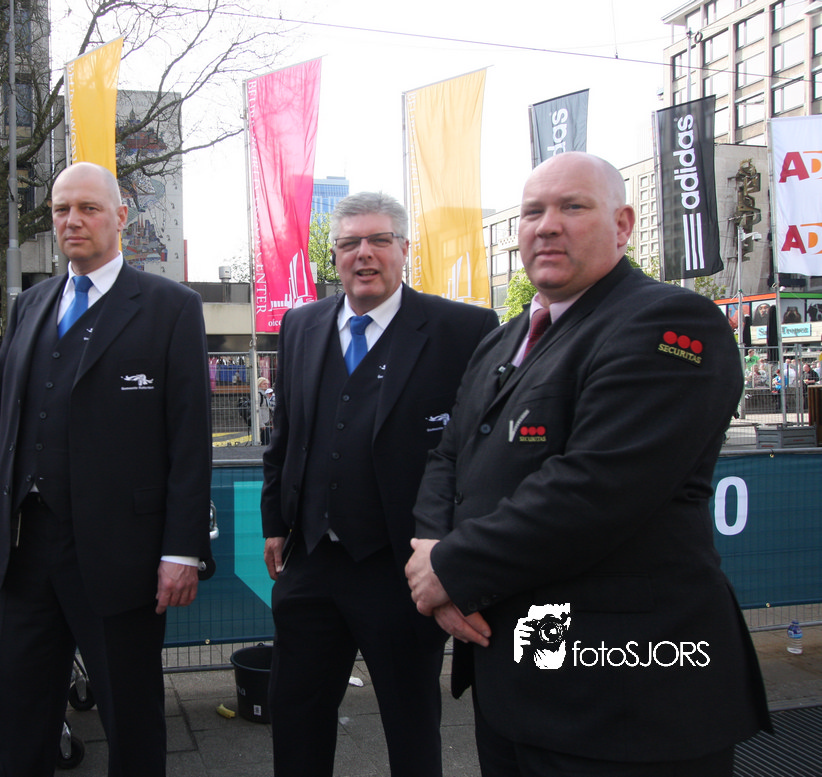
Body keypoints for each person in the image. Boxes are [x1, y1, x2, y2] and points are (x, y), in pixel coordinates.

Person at [405, 152, 770, 776]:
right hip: (511, 686)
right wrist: (432, 551)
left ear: (623, 225)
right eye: (532, 212)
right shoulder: (503, 339)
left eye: (572, 207)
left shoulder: (669, 322)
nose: (547, 226)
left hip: (627, 701)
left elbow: (596, 489)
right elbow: (450, 455)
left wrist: (450, 570)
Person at [0, 161, 212, 777]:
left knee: (131, 716)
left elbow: (189, 439)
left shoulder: (171, 307)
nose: (72, 220)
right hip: (27, 548)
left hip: (121, 553)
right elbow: (2, 425)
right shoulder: (29, 306)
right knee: (22, 715)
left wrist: (181, 549)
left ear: (120, 217)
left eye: (88, 208)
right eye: (61, 210)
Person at [262, 191, 498, 777]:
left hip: (403, 568)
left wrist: (454, 554)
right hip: (311, 561)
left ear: (404, 249)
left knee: (411, 723)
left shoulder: (462, 329)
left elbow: (477, 454)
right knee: (296, 718)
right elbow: (284, 433)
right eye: (349, 243)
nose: (363, 254)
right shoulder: (300, 325)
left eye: (378, 240)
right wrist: (275, 523)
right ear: (334, 256)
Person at [255, 376, 273, 445]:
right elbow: (258, 410)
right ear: (259, 385)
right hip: (263, 422)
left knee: (267, 441)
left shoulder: (265, 395)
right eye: (264, 384)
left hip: (267, 421)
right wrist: (261, 424)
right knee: (266, 441)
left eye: (267, 384)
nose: (266, 385)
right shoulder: (259, 395)